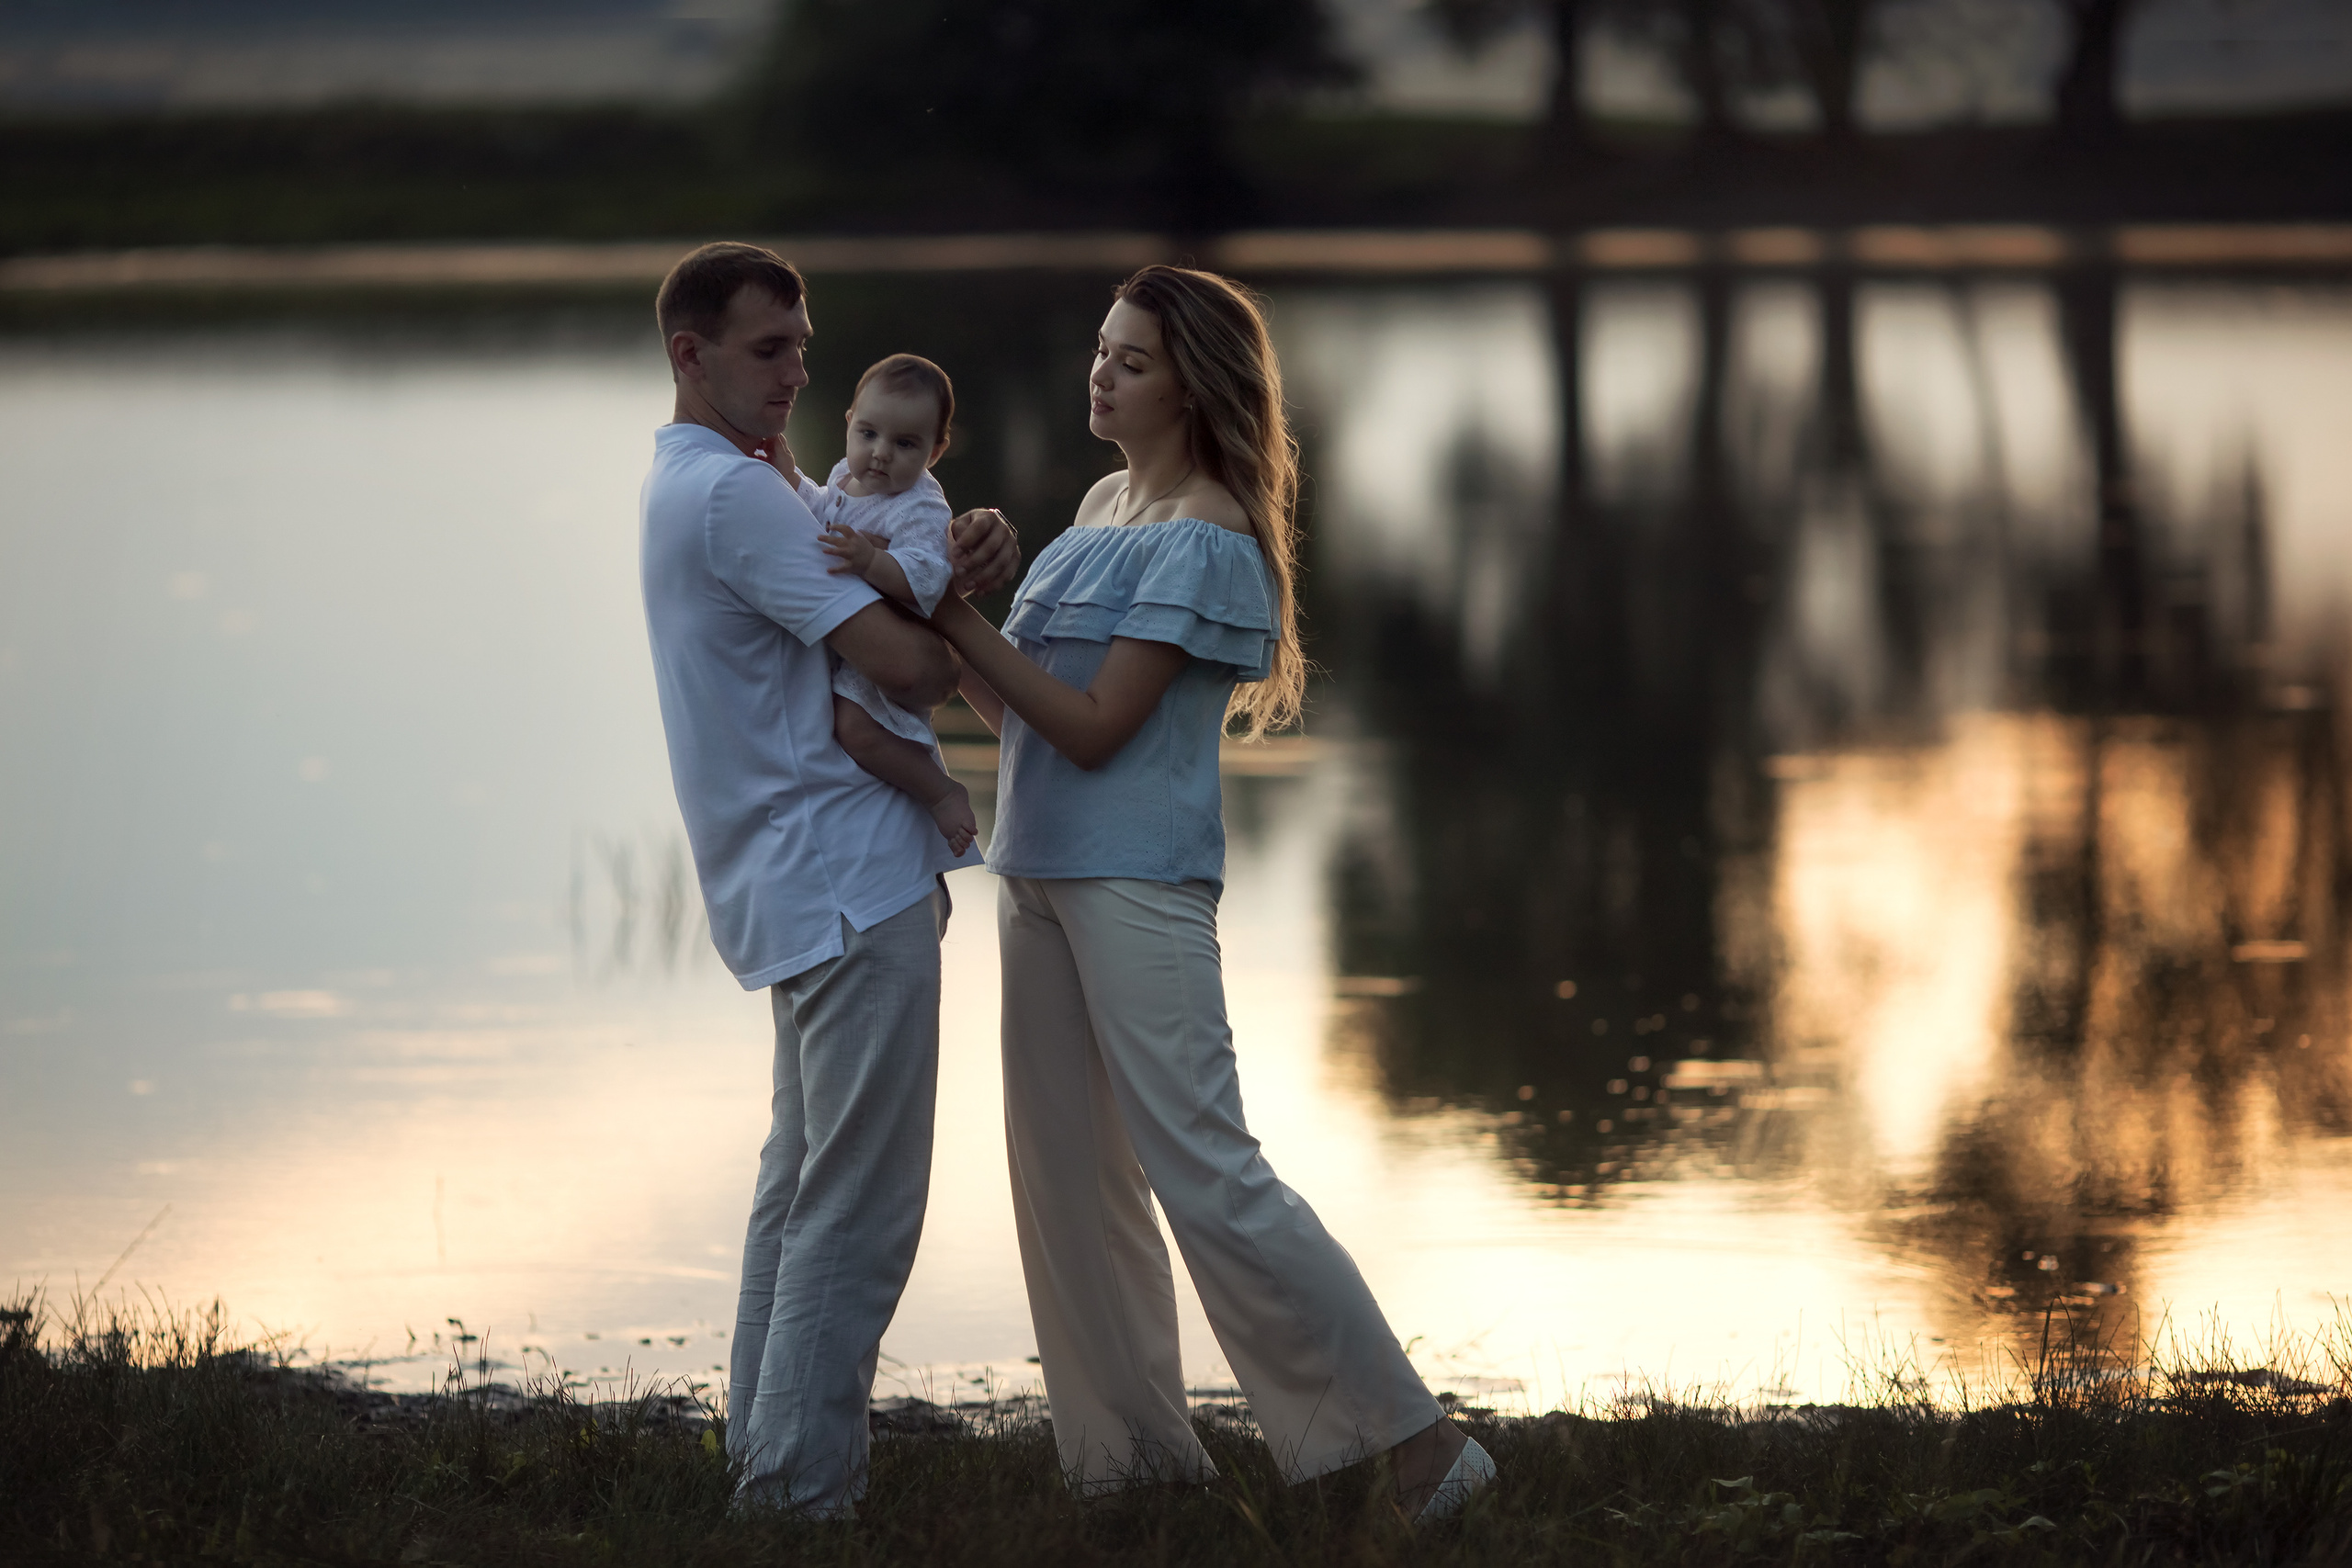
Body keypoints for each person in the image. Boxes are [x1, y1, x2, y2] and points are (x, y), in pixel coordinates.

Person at [927, 265, 1496, 1520]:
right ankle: (1130, 1466)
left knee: (1207, 1166)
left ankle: (1421, 1449)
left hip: (1139, 881)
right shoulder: (1100, 505)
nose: (1101, 374)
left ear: (1193, 386)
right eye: (1101, 349)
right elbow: (1022, 723)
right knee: (1068, 1180)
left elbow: (1094, 729)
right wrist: (954, 617)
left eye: (1131, 361)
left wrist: (953, 616)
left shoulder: (1210, 530)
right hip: (1037, 873)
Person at [637, 242, 1019, 1517]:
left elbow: (871, 530)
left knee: (802, 1186)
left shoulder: (717, 477)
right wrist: (951, 594)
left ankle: (763, 1459)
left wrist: (953, 543)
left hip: (799, 883)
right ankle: (798, 1500)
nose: (797, 374)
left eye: (803, 347)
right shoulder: (735, 497)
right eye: (767, 350)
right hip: (847, 877)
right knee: (856, 1207)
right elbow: (914, 671)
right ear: (690, 353)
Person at [763, 352, 976, 857]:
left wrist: (872, 561)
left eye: (905, 444)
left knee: (855, 730)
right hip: (853, 643)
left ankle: (941, 791)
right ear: (850, 424)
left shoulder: (919, 504)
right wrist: (792, 480)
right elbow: (822, 516)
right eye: (869, 434)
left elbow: (928, 574)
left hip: (891, 642)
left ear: (935, 450)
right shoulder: (845, 477)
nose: (880, 454)